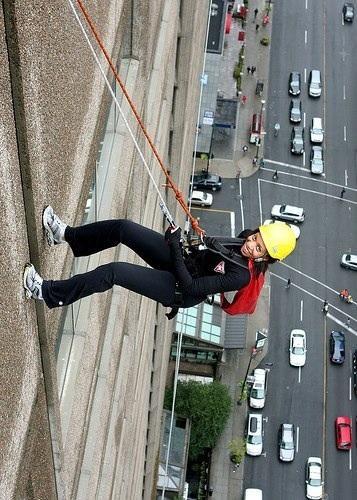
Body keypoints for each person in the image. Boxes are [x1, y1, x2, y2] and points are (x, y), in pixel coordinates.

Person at [23, 206, 297, 318]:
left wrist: (175, 245)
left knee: (114, 272)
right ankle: (67, 236)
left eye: (258, 247)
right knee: (124, 228)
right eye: (255, 237)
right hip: (185, 260)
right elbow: (206, 251)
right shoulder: (241, 240)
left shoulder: (241, 276)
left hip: (179, 287)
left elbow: (191, 286)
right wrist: (191, 238)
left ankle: (47, 293)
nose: (251, 244)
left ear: (265, 257)